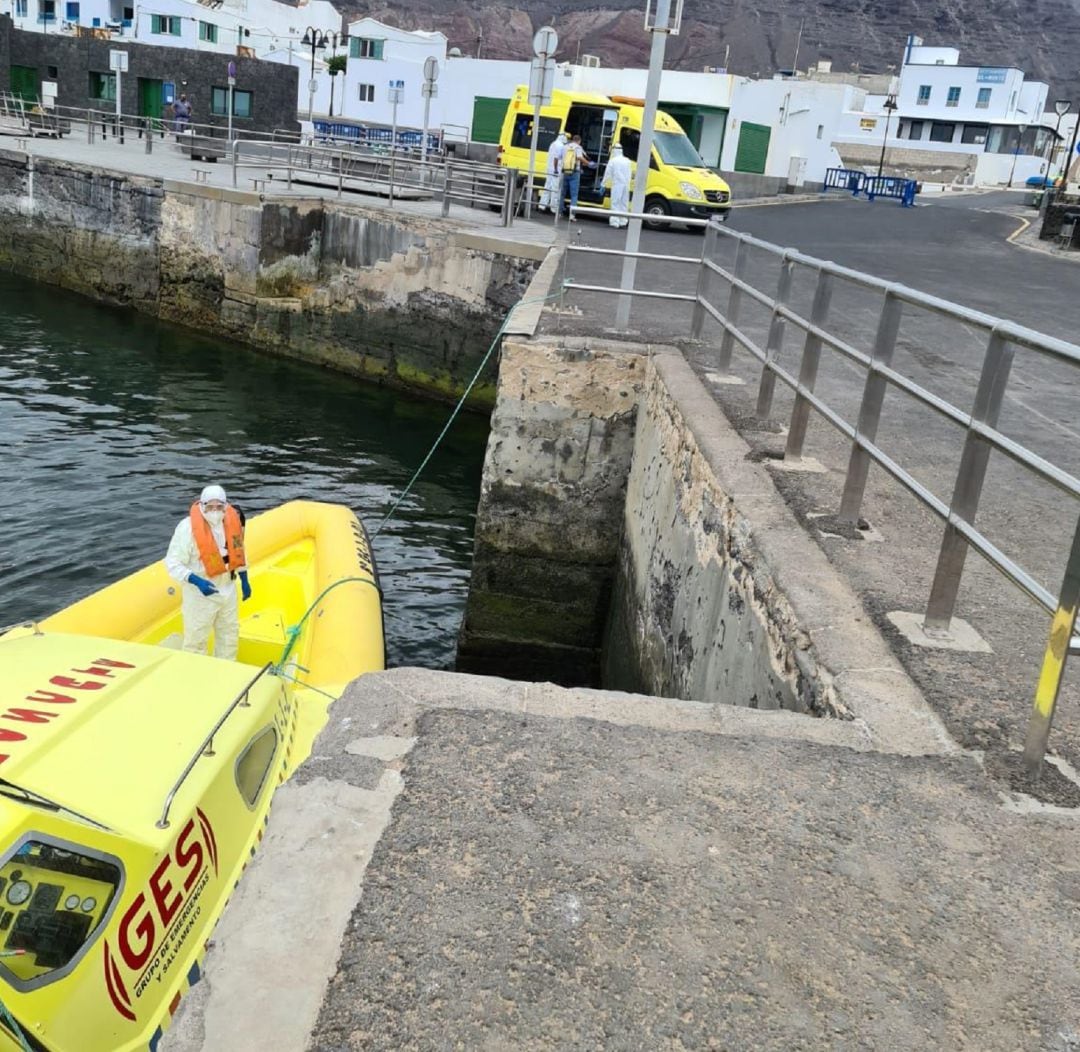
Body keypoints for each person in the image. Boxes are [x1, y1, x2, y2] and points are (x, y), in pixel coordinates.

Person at [165, 484, 251, 661]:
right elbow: (173, 563)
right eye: (210, 507)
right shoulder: (187, 528)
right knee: (196, 640)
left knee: (229, 636)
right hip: (200, 593)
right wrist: (197, 581)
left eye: (219, 507)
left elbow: (238, 551)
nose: (215, 511)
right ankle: (196, 677)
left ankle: (226, 670)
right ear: (202, 506)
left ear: (226, 507)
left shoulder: (232, 522)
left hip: (227, 588)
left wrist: (244, 578)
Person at [560, 134, 592, 220]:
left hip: (565, 171)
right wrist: (588, 163)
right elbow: (580, 157)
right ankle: (572, 215)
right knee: (574, 195)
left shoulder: (565, 147)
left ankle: (559, 213)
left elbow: (561, 158)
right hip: (574, 172)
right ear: (579, 141)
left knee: (562, 193)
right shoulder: (578, 147)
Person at [602, 143, 633, 227]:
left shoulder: (613, 160)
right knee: (624, 203)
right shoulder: (627, 161)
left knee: (615, 202)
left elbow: (607, 173)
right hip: (626, 184)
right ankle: (623, 221)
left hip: (617, 184)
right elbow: (630, 173)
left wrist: (603, 183)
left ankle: (615, 222)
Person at [538, 131, 567, 213]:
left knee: (547, 187)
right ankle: (553, 208)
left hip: (549, 169)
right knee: (555, 189)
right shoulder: (560, 146)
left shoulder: (553, 144)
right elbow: (556, 159)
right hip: (556, 170)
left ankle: (542, 206)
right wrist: (556, 170)